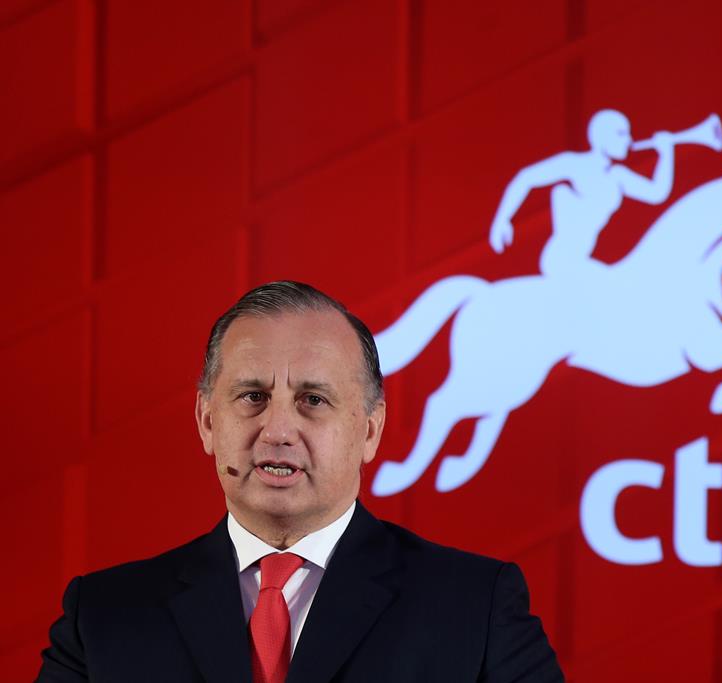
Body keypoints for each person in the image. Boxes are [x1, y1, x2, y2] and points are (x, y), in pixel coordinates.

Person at [37, 281, 564, 682]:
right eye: (252, 397)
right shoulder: (102, 616)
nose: (277, 430)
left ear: (370, 430)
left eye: (313, 400)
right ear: (207, 421)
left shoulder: (475, 608)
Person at [488, 109, 677, 279]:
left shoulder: (617, 176)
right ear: (601, 137)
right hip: (561, 258)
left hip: (580, 258)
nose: (628, 140)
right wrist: (502, 220)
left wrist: (666, 154)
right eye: (620, 134)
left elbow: (656, 193)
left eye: (628, 133)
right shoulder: (574, 164)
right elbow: (526, 178)